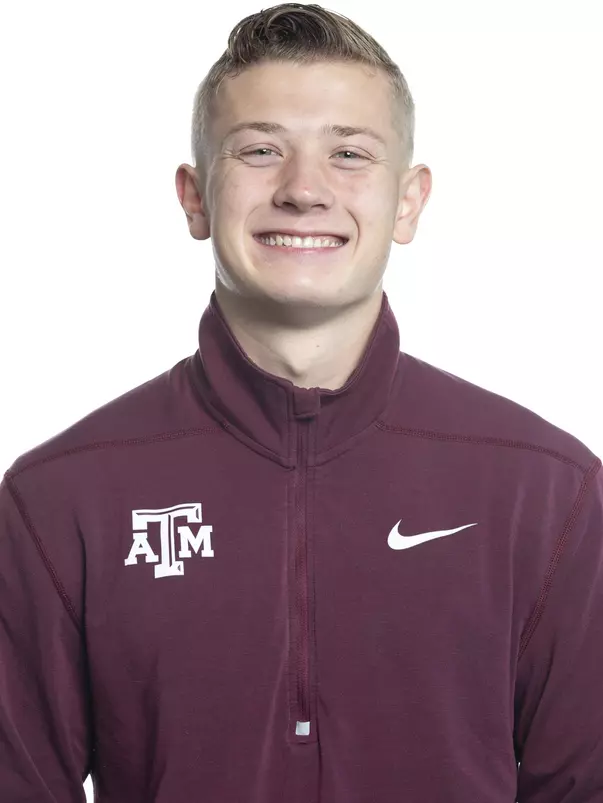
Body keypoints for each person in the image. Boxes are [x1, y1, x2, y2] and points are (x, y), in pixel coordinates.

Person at [1, 3, 601, 802]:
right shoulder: (61, 497)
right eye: (259, 150)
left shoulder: (545, 488)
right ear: (194, 197)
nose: (304, 190)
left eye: (349, 153)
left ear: (408, 201)